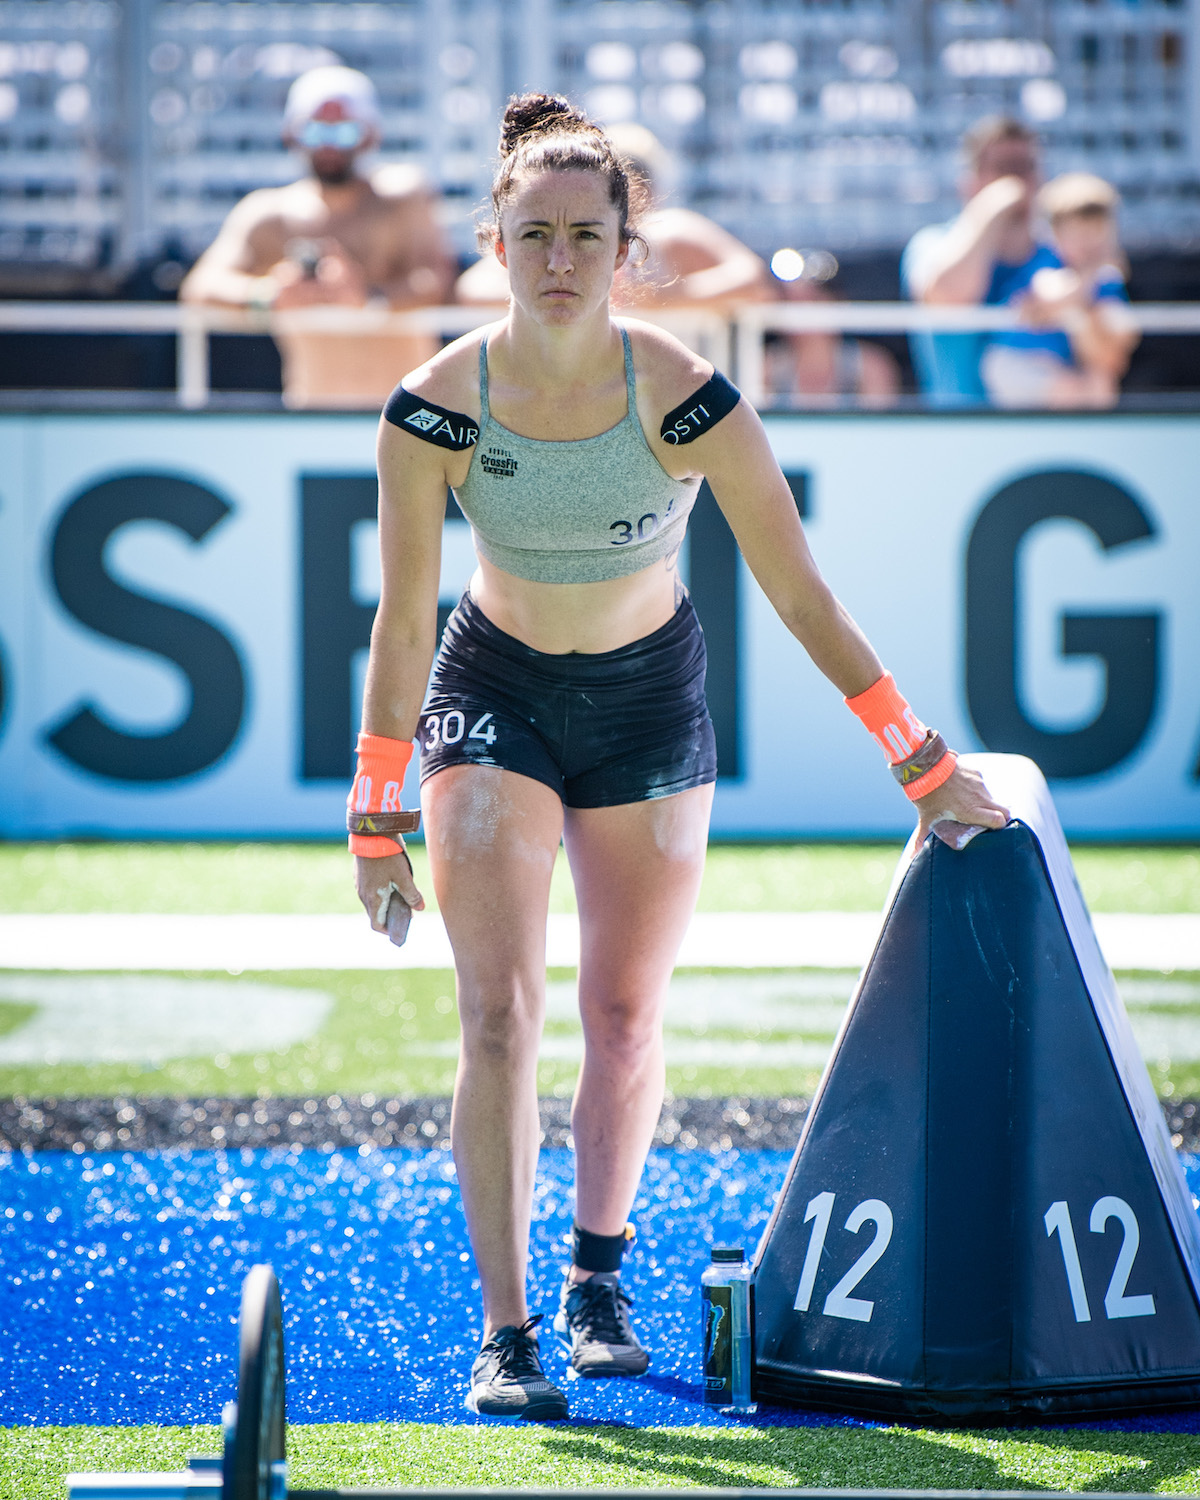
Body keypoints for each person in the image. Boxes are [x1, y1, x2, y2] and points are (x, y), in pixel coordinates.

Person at [347, 93, 1009, 1422]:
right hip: (493, 696)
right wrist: (375, 819)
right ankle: (510, 1329)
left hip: (652, 704)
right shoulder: (432, 412)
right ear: (491, 240)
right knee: (496, 1013)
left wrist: (919, 761)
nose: (556, 261)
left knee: (626, 1014)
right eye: (531, 233)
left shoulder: (691, 399)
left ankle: (599, 1277)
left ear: (623, 246)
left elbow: (804, 596)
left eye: (584, 235)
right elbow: (406, 618)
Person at [180, 66, 455, 408]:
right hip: (312, 417)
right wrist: (267, 296)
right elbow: (200, 288)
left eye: (343, 132)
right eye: (315, 131)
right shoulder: (270, 215)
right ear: (291, 134)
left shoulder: (402, 199)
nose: (328, 145)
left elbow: (436, 281)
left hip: (408, 418)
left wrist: (367, 299)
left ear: (371, 135)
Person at [455, 121, 771, 313]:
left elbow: (752, 279)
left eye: (638, 175)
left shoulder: (671, 230)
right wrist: (561, 295)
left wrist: (666, 296)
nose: (632, 190)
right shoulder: (557, 230)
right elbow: (472, 291)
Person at [901, 116, 1048, 407]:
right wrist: (994, 205)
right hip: (961, 438)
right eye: (1003, 168)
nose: (1016, 180)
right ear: (970, 180)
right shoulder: (932, 243)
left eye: (1025, 167)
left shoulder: (1057, 254)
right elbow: (948, 296)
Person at [980, 172, 1140, 409]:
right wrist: (1092, 276)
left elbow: (1117, 349)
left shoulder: (1107, 282)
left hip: (1061, 370)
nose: (1089, 243)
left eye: (1097, 232)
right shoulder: (1046, 261)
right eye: (1079, 233)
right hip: (1015, 363)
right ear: (1055, 234)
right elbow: (1050, 294)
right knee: (1068, 388)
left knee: (1100, 381)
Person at [766, 256, 900, 408]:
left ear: (837, 301)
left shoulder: (871, 366)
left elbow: (879, 427)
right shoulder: (767, 368)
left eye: (813, 300)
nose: (803, 311)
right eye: (791, 301)